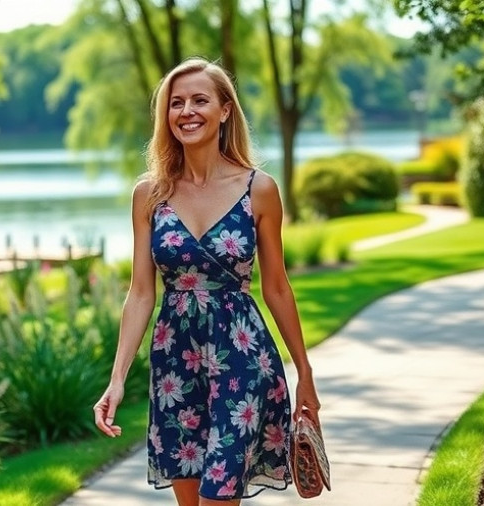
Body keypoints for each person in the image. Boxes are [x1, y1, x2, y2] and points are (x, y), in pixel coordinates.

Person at [92, 56, 321, 506]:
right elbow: (141, 292)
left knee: (219, 498)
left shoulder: (259, 189)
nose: (187, 111)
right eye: (176, 103)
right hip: (175, 364)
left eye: (200, 100)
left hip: (241, 360)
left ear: (225, 110)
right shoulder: (149, 194)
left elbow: (276, 287)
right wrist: (117, 380)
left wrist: (306, 375)